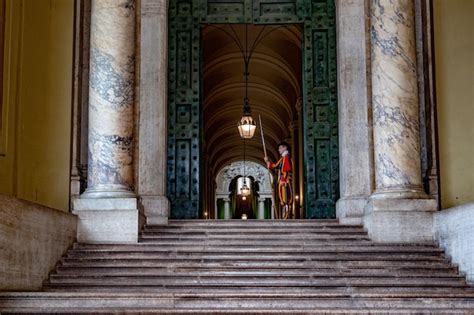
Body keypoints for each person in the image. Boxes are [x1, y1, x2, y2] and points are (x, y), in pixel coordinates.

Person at [264, 142, 293, 219]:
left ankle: (287, 215)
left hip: (285, 181)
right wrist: (267, 162)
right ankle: (285, 214)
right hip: (282, 180)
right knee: (282, 198)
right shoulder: (282, 158)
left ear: (285, 148)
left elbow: (287, 169)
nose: (278, 150)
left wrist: (284, 179)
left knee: (286, 198)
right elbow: (275, 166)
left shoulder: (286, 157)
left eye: (280, 148)